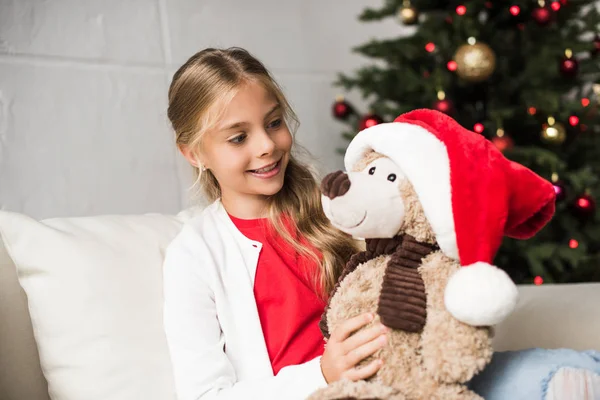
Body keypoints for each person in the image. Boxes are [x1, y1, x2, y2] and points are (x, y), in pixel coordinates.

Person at [162, 47, 389, 400]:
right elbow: (205, 395)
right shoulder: (193, 256)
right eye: (239, 137)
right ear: (193, 153)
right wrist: (322, 374)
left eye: (274, 122)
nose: (267, 145)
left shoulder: (337, 208)